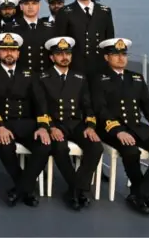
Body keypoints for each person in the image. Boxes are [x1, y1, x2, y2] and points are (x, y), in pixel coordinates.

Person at [93, 38, 149, 215]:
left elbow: (148, 106)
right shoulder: (99, 78)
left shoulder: (136, 78)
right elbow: (100, 108)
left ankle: (139, 194)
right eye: (116, 55)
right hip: (110, 129)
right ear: (107, 57)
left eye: (123, 54)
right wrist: (117, 131)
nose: (121, 58)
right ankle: (140, 194)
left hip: (136, 127)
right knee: (131, 150)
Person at [0, 33, 51, 207]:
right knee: (6, 146)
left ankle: (20, 188)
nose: (9, 53)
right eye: (4, 49)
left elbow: (40, 102)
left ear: (18, 54)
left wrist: (43, 126)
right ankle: (27, 189)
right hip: (2, 123)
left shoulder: (30, 74)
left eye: (13, 50)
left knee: (45, 145)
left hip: (27, 123)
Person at [40, 37, 103, 210]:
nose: (64, 57)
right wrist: (50, 127)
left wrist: (90, 126)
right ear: (52, 57)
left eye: (67, 53)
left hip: (76, 123)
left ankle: (76, 188)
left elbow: (87, 105)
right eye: (59, 54)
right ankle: (78, 189)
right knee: (59, 148)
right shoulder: (43, 78)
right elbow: (40, 107)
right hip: (55, 124)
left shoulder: (80, 77)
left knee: (96, 147)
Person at [53, 0, 114, 75]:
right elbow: (60, 41)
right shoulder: (65, 12)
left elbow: (109, 41)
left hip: (100, 67)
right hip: (76, 68)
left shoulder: (105, 11)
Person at [14, 0, 54, 74]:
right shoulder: (12, 28)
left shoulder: (50, 28)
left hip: (44, 77)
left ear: (39, 6)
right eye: (26, 3)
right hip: (21, 77)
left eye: (34, 3)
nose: (30, 7)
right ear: (21, 6)